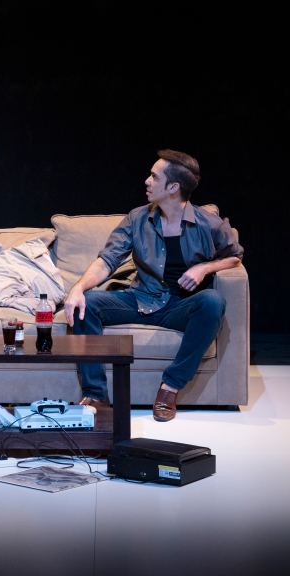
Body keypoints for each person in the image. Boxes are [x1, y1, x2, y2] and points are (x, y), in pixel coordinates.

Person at [63, 150, 243, 421]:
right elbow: (107, 260)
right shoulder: (137, 218)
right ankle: (96, 395)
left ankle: (170, 388)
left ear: (173, 187)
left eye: (154, 176)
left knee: (212, 301)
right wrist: (78, 288)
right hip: (140, 298)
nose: (147, 181)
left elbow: (234, 256)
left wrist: (204, 267)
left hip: (181, 305)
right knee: (86, 303)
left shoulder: (208, 223)